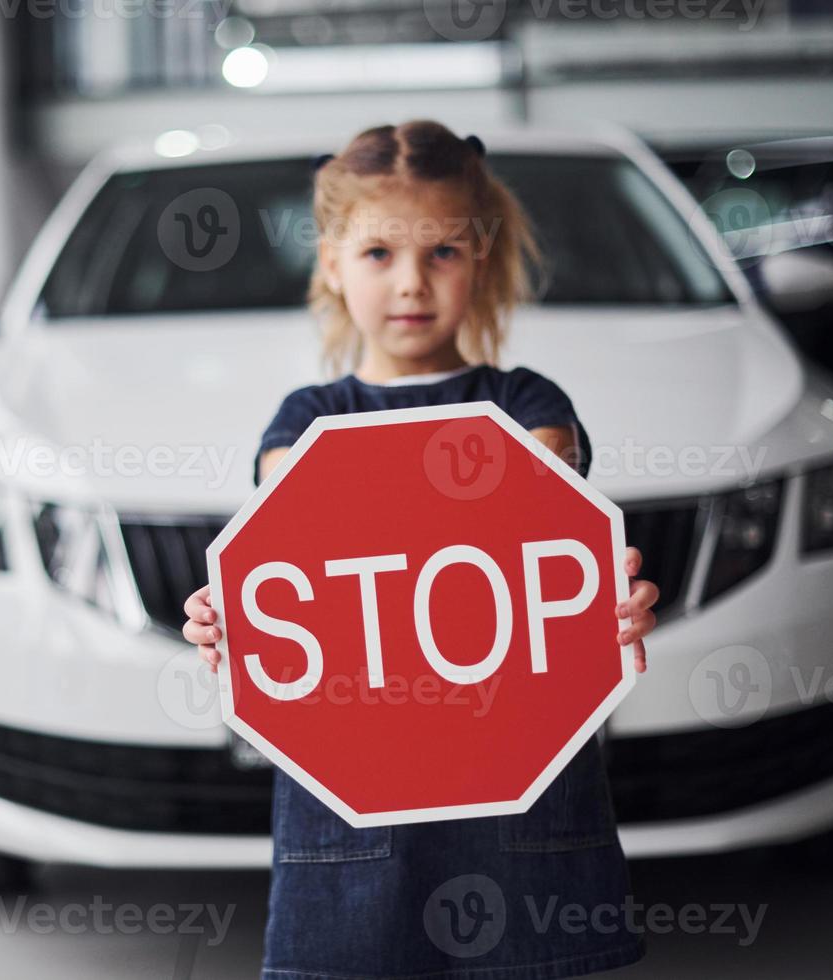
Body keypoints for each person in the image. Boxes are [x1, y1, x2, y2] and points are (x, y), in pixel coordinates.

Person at [181, 120, 661, 979]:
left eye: (442, 252)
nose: (411, 284)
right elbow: (297, 547)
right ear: (330, 261)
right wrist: (238, 620)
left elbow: (541, 518)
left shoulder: (528, 405)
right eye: (378, 255)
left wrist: (600, 605)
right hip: (354, 821)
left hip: (520, 802)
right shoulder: (301, 422)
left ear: (481, 257)